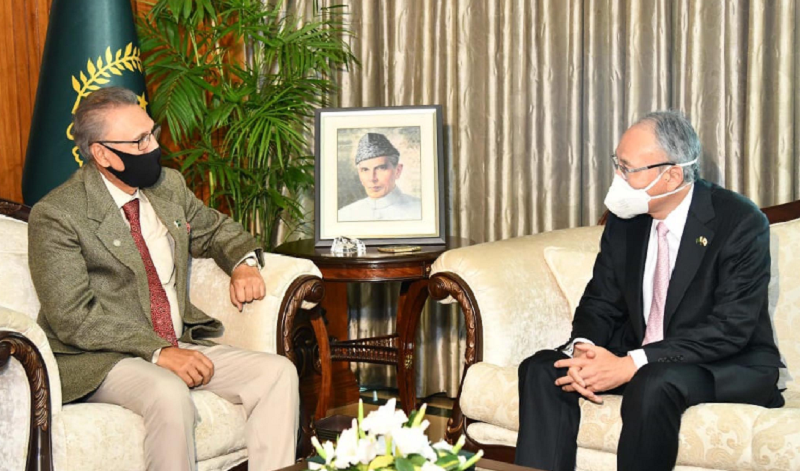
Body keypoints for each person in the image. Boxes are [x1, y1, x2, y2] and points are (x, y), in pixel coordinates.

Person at [27, 87, 299, 471]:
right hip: (102, 360)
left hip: (177, 342)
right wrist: (158, 352)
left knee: (277, 374)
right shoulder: (57, 214)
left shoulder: (165, 185)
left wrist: (242, 262)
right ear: (103, 154)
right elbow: (72, 315)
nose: (154, 146)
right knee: (168, 391)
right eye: (140, 141)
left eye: (152, 133)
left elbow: (214, 229)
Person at [515, 111, 784, 471]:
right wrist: (585, 347)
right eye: (617, 164)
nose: (617, 178)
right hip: (642, 356)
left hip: (722, 362)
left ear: (671, 174)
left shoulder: (739, 222)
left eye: (627, 168)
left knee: (652, 382)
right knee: (543, 369)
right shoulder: (627, 221)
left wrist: (632, 363)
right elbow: (601, 300)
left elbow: (729, 328)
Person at [337, 132, 422, 221]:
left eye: (381, 168)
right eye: (365, 170)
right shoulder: (344, 215)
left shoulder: (420, 211)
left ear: (398, 171)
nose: (372, 178)